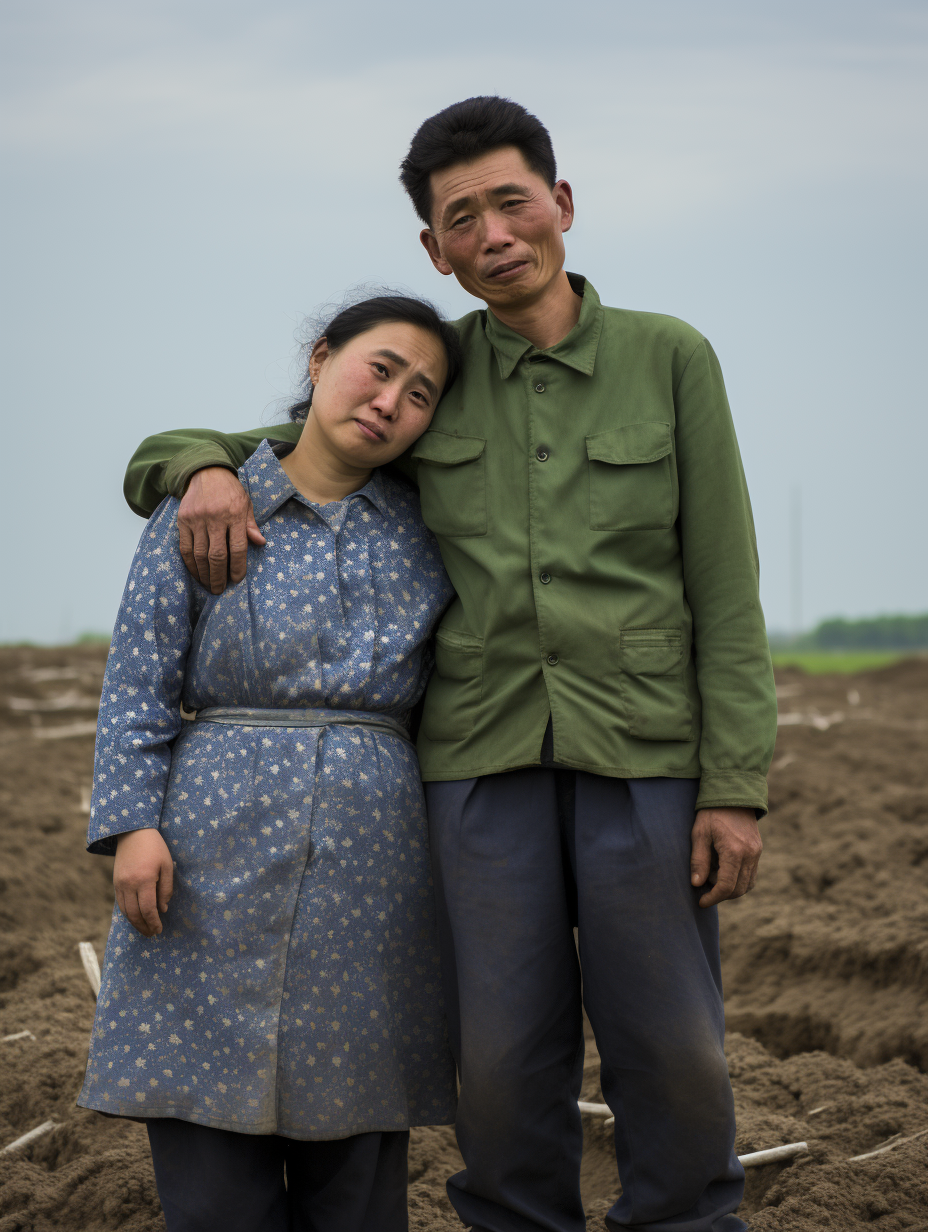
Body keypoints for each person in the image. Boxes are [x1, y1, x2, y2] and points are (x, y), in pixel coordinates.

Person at [122, 98, 778, 1232]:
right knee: (498, 1049)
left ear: (561, 205)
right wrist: (199, 464)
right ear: (434, 248)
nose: (493, 233)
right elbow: (295, 439)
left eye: (511, 201)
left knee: (671, 1037)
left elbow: (724, 584)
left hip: (648, 752)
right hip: (476, 763)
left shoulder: (670, 357)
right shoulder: (436, 373)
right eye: (459, 217)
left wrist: (734, 782)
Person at [79, 294, 464, 1232]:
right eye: (379, 368)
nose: (390, 402)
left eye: (420, 395)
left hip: (374, 864)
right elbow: (139, 678)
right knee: (212, 1172)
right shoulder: (209, 501)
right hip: (211, 858)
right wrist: (133, 827)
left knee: (359, 1167)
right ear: (321, 358)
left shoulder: (430, 530)